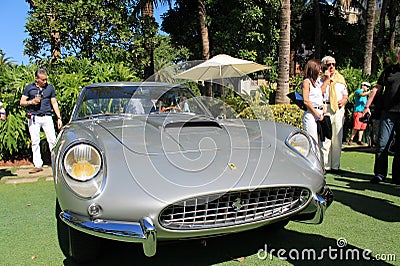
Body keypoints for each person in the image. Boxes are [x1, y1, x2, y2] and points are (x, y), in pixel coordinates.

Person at [363, 46, 400, 185]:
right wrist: (367, 106)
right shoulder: (389, 71)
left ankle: (397, 177)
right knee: (382, 144)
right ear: (398, 56)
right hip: (388, 113)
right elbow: (376, 88)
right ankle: (379, 174)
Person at [20, 68, 62, 174]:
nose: (45, 82)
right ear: (37, 79)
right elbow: (22, 102)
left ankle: (56, 162)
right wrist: (31, 102)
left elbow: (54, 103)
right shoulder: (29, 88)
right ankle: (38, 164)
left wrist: (59, 117)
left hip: (47, 116)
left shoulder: (50, 88)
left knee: (52, 140)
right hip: (34, 117)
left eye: (46, 79)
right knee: (35, 141)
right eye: (43, 80)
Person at [320, 56, 348, 173]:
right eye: (328, 64)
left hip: (338, 109)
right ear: (323, 66)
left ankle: (335, 166)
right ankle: (325, 165)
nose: (331, 67)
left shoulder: (340, 79)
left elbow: (345, 94)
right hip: (325, 108)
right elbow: (319, 92)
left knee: (337, 137)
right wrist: (326, 79)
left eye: (333, 64)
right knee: (326, 138)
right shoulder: (319, 79)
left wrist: (344, 100)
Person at [301, 59, 329, 143]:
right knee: (313, 140)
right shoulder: (307, 82)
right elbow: (306, 101)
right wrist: (316, 114)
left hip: (320, 113)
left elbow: (320, 93)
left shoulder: (316, 83)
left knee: (321, 141)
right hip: (312, 113)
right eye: (319, 68)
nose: (320, 71)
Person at [348, 81, 371, 146]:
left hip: (363, 112)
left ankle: (359, 140)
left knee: (362, 127)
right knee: (356, 126)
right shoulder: (358, 91)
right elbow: (361, 94)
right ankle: (351, 139)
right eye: (366, 86)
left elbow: (366, 104)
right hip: (358, 111)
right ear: (363, 86)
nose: (367, 88)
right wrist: (369, 92)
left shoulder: (366, 95)